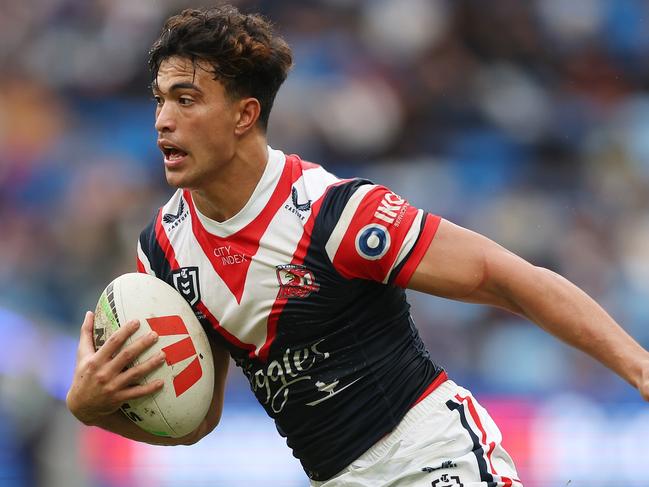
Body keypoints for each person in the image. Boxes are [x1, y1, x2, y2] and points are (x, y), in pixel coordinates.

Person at [66, 5, 649, 486]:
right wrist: (95, 412)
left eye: (186, 99)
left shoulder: (335, 214)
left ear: (245, 114)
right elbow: (196, 420)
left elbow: (506, 277)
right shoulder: (165, 252)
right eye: (159, 100)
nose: (163, 120)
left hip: (431, 461)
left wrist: (639, 367)